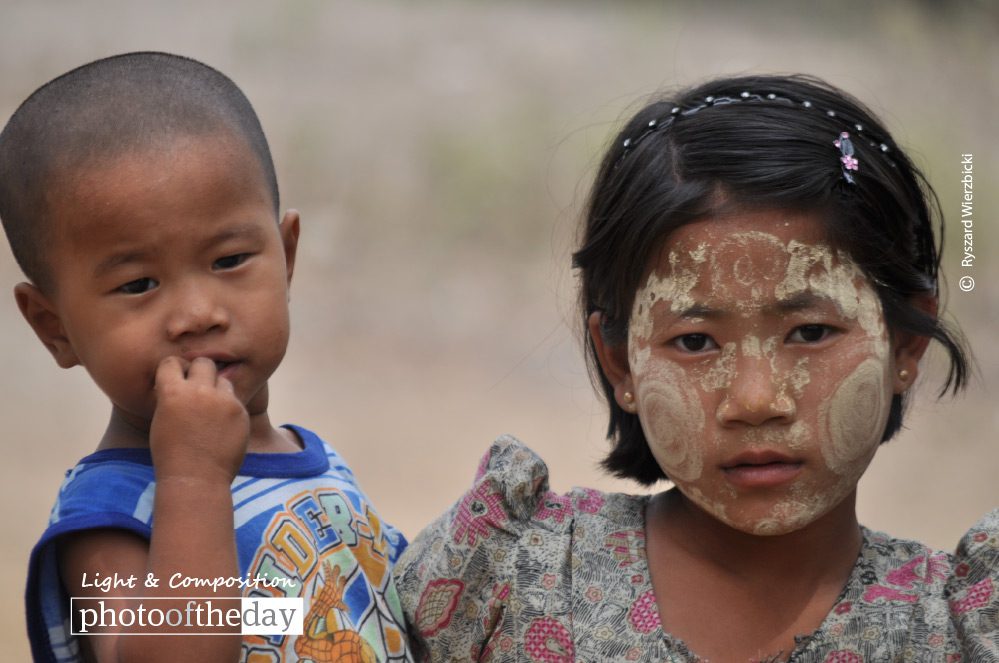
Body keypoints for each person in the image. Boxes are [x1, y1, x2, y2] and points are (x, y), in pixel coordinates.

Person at [394, 75, 998, 662]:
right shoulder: (507, 579)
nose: (756, 400)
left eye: (810, 333)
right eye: (695, 342)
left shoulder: (960, 630)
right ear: (619, 360)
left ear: (905, 345)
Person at [1, 52, 412, 662]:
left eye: (228, 261)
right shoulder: (107, 517)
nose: (197, 312)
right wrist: (192, 481)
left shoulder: (322, 470)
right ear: (54, 327)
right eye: (138, 284)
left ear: (288, 256)